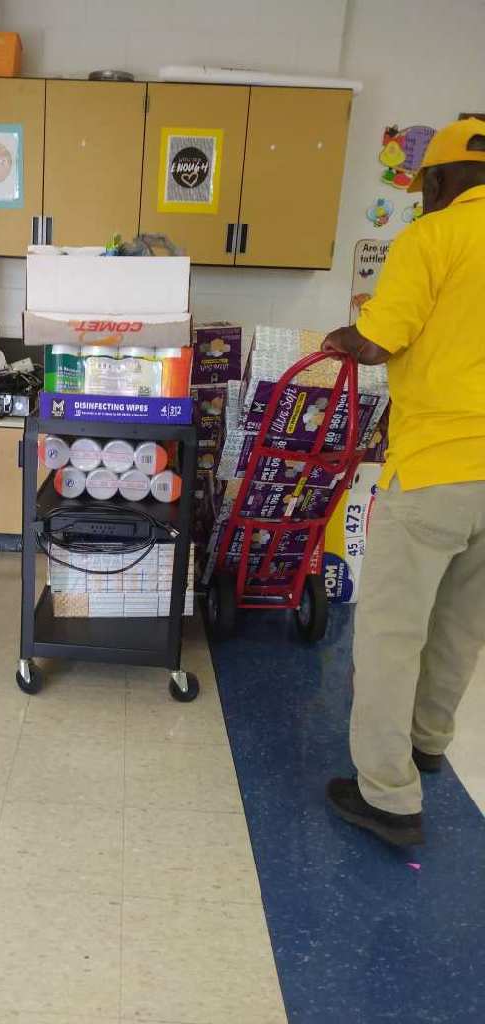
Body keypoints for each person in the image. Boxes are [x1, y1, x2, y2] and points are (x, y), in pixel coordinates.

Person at [322, 119, 485, 848]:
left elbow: (381, 338)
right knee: (461, 622)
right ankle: (427, 741)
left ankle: (387, 794)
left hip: (435, 472)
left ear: (441, 181)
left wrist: (341, 340)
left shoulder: (433, 239)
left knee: (391, 634)